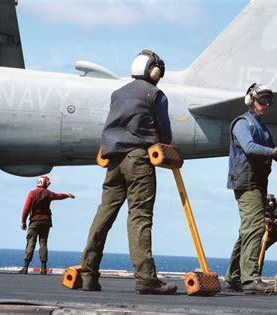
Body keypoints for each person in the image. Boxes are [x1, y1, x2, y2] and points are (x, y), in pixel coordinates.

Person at [80, 50, 177, 295]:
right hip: (138, 160)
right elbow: (164, 134)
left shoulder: (117, 93)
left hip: (113, 160)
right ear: (153, 71)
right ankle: (146, 278)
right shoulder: (155, 94)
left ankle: (88, 275)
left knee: (104, 214)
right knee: (140, 217)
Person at [224, 83, 277, 294]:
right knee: (256, 227)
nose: (265, 105)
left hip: (257, 183)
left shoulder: (262, 127)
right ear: (251, 101)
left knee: (247, 230)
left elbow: (274, 154)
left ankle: (232, 278)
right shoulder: (243, 123)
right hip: (246, 182)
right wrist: (276, 150)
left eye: (268, 101)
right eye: (261, 100)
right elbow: (249, 147)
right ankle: (250, 280)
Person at [19, 175, 75, 275]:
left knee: (31, 242)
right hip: (46, 221)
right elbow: (59, 196)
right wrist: (68, 195)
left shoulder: (32, 193)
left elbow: (26, 208)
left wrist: (23, 221)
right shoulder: (48, 194)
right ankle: (43, 268)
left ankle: (25, 267)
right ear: (45, 183)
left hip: (34, 222)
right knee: (43, 243)